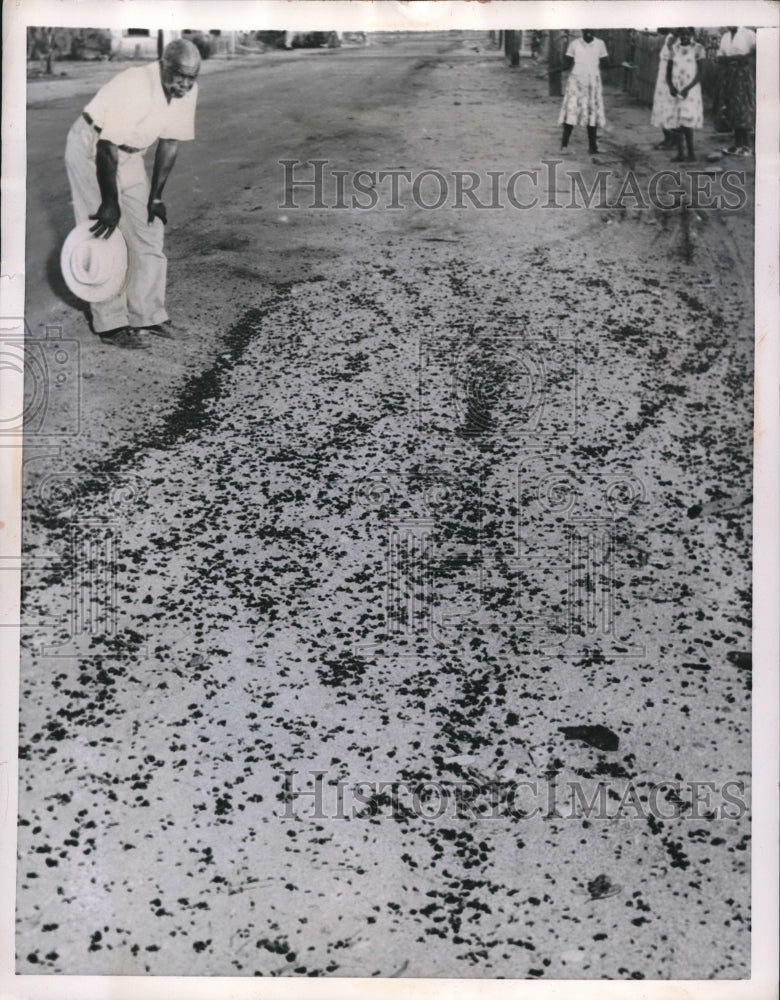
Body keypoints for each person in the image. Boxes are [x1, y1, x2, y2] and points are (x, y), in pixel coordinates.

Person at [64, 38, 201, 349]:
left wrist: (155, 197)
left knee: (149, 229)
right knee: (102, 232)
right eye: (180, 75)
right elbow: (105, 149)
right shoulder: (136, 86)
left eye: (192, 77)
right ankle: (110, 323)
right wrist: (110, 202)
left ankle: (148, 314)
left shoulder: (186, 92)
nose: (185, 84)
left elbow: (170, 143)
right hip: (91, 147)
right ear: (163, 66)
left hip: (131, 154)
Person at [558, 29, 610, 155]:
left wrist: (621, 65)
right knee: (571, 111)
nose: (588, 32)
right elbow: (566, 65)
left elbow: (606, 65)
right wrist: (552, 71)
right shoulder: (574, 44)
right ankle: (564, 146)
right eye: (586, 29)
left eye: (591, 29)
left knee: (592, 114)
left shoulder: (600, 44)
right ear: (582, 30)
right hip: (576, 83)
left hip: (593, 84)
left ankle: (593, 147)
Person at [666, 27, 704, 163]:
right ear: (679, 35)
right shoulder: (674, 49)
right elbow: (668, 72)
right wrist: (670, 86)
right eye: (682, 34)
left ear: (692, 35)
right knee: (676, 122)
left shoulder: (698, 48)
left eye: (688, 34)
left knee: (687, 121)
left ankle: (691, 154)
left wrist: (688, 88)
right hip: (676, 88)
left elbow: (701, 73)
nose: (685, 37)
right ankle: (680, 153)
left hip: (691, 89)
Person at [717, 26, 757, 156]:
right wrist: (729, 59)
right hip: (728, 74)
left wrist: (744, 57)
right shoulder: (725, 36)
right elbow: (720, 56)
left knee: (743, 107)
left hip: (743, 74)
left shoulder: (748, 34)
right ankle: (737, 145)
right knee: (732, 108)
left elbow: (758, 49)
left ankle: (747, 146)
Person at [650, 29, 677, 149]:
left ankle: (672, 140)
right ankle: (666, 138)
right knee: (661, 106)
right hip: (663, 78)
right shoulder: (669, 37)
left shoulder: (684, 40)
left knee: (671, 107)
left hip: (673, 77)